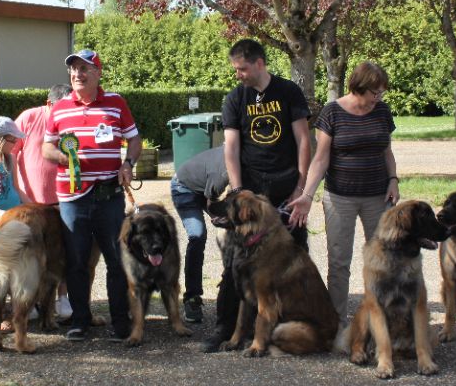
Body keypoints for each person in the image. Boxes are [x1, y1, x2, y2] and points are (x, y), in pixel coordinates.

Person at [203, 38, 311, 352]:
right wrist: (237, 191)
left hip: (286, 189)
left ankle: (296, 326)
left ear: (259, 63)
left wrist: (301, 188)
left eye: (242, 69)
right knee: (235, 263)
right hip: (249, 193)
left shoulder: (288, 92)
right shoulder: (235, 99)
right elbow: (231, 147)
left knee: (294, 260)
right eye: (236, 69)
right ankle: (225, 328)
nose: (238, 74)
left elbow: (304, 140)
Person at [288, 61, 399, 336]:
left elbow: (387, 151)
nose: (379, 98)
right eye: (375, 93)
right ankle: (336, 323)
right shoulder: (332, 112)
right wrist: (306, 195)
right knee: (339, 262)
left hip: (377, 196)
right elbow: (321, 158)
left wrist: (394, 179)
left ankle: (380, 321)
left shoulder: (382, 112)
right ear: (359, 88)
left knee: (382, 261)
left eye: (381, 93)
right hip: (340, 198)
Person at [42, 49, 141, 342]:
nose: (77, 75)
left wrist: (128, 164)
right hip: (72, 198)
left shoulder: (115, 103)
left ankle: (120, 322)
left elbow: (134, 139)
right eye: (73, 70)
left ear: (98, 73)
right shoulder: (59, 108)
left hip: (109, 196)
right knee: (77, 261)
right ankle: (80, 321)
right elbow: (46, 147)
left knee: (115, 260)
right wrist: (64, 157)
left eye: (84, 69)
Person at [15, 83, 76, 319]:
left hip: (65, 200)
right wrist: (18, 192)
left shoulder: (72, 121)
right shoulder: (29, 117)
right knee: (29, 255)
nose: (67, 110)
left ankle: (62, 299)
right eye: (63, 106)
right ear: (49, 104)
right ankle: (28, 302)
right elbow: (10, 154)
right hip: (31, 202)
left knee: (64, 254)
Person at [169, 145, 228, 323]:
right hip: (183, 187)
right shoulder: (223, 173)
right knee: (198, 235)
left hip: (205, 187)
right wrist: (219, 218)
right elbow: (212, 203)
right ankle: (192, 298)